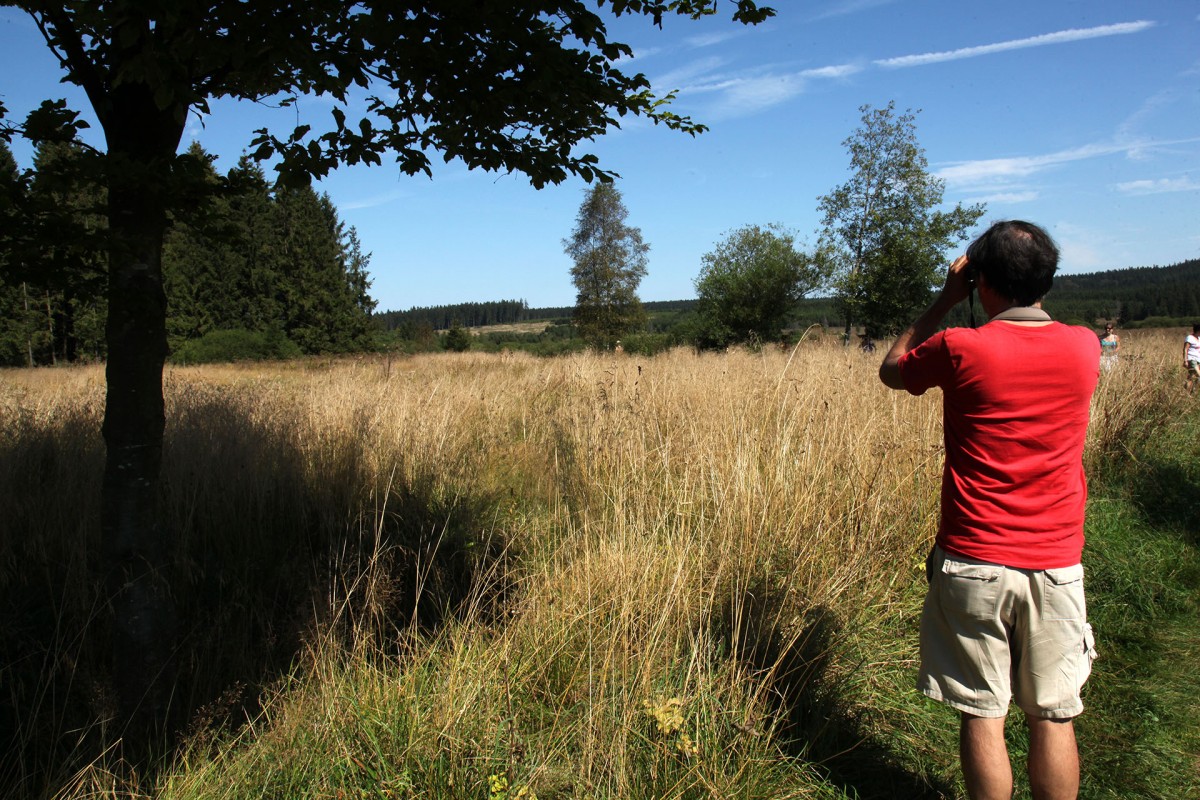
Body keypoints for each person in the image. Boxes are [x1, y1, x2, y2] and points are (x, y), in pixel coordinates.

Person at [878, 220, 1099, 800]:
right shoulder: (1084, 346)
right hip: (1055, 562)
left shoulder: (959, 347)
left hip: (973, 559)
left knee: (983, 713)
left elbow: (891, 368)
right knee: (1053, 713)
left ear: (981, 279)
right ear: (1047, 277)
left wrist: (946, 300)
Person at [1185, 323, 1200, 393]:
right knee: (1199, 375)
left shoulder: (1199, 338)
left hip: (1198, 360)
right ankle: (1192, 391)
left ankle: (1189, 392)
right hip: (1192, 359)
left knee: (1192, 377)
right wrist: (1185, 360)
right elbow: (1185, 349)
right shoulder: (1190, 338)